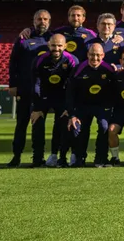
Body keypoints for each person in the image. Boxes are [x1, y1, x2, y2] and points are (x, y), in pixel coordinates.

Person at [7, 8, 51, 167]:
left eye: (45, 19)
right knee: (21, 124)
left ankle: (37, 158)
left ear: (49, 22)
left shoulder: (53, 39)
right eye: (39, 19)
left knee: (39, 125)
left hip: (43, 91)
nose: (42, 22)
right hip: (25, 89)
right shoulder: (23, 38)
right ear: (34, 21)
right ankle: (16, 156)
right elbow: (13, 62)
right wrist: (13, 84)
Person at [29, 33, 77, 167]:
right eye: (54, 45)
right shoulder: (39, 60)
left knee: (61, 124)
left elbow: (72, 86)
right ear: (49, 45)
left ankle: (59, 156)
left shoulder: (71, 60)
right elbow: (35, 85)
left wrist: (69, 108)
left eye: (60, 46)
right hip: (43, 96)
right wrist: (37, 108)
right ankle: (37, 158)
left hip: (62, 97)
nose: (56, 48)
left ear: (65, 46)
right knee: (37, 122)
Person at [66, 42, 117, 167]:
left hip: (102, 106)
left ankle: (101, 158)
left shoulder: (109, 70)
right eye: (92, 55)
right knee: (78, 128)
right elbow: (70, 92)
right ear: (87, 54)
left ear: (103, 55)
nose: (95, 58)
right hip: (83, 105)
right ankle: (80, 158)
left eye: (98, 55)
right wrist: (72, 114)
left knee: (104, 127)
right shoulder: (78, 69)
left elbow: (115, 89)